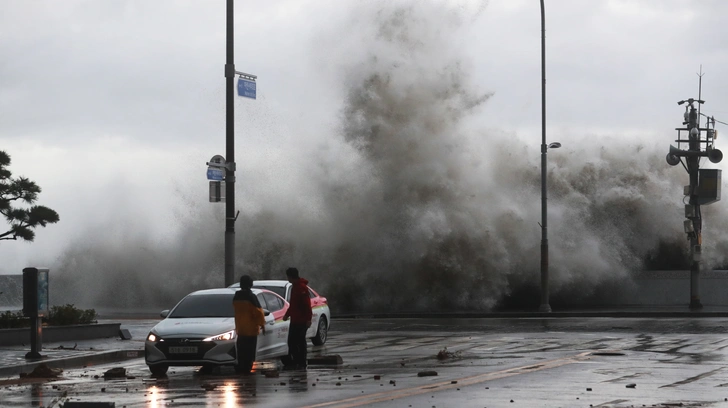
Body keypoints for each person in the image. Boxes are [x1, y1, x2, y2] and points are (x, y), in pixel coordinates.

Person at [233, 275, 266, 374]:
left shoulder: (236, 296)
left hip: (240, 328)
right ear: (250, 284)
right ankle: (247, 368)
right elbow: (258, 312)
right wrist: (262, 324)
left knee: (241, 350)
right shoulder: (251, 296)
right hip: (251, 329)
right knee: (249, 351)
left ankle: (241, 367)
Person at [282, 267, 313, 369]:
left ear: (291, 277)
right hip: (295, 320)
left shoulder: (301, 288)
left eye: (288, 277)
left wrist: (308, 319)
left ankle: (301, 362)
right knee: (292, 341)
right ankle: (296, 361)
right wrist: (287, 314)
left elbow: (306, 305)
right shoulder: (295, 287)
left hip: (302, 320)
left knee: (299, 341)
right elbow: (293, 304)